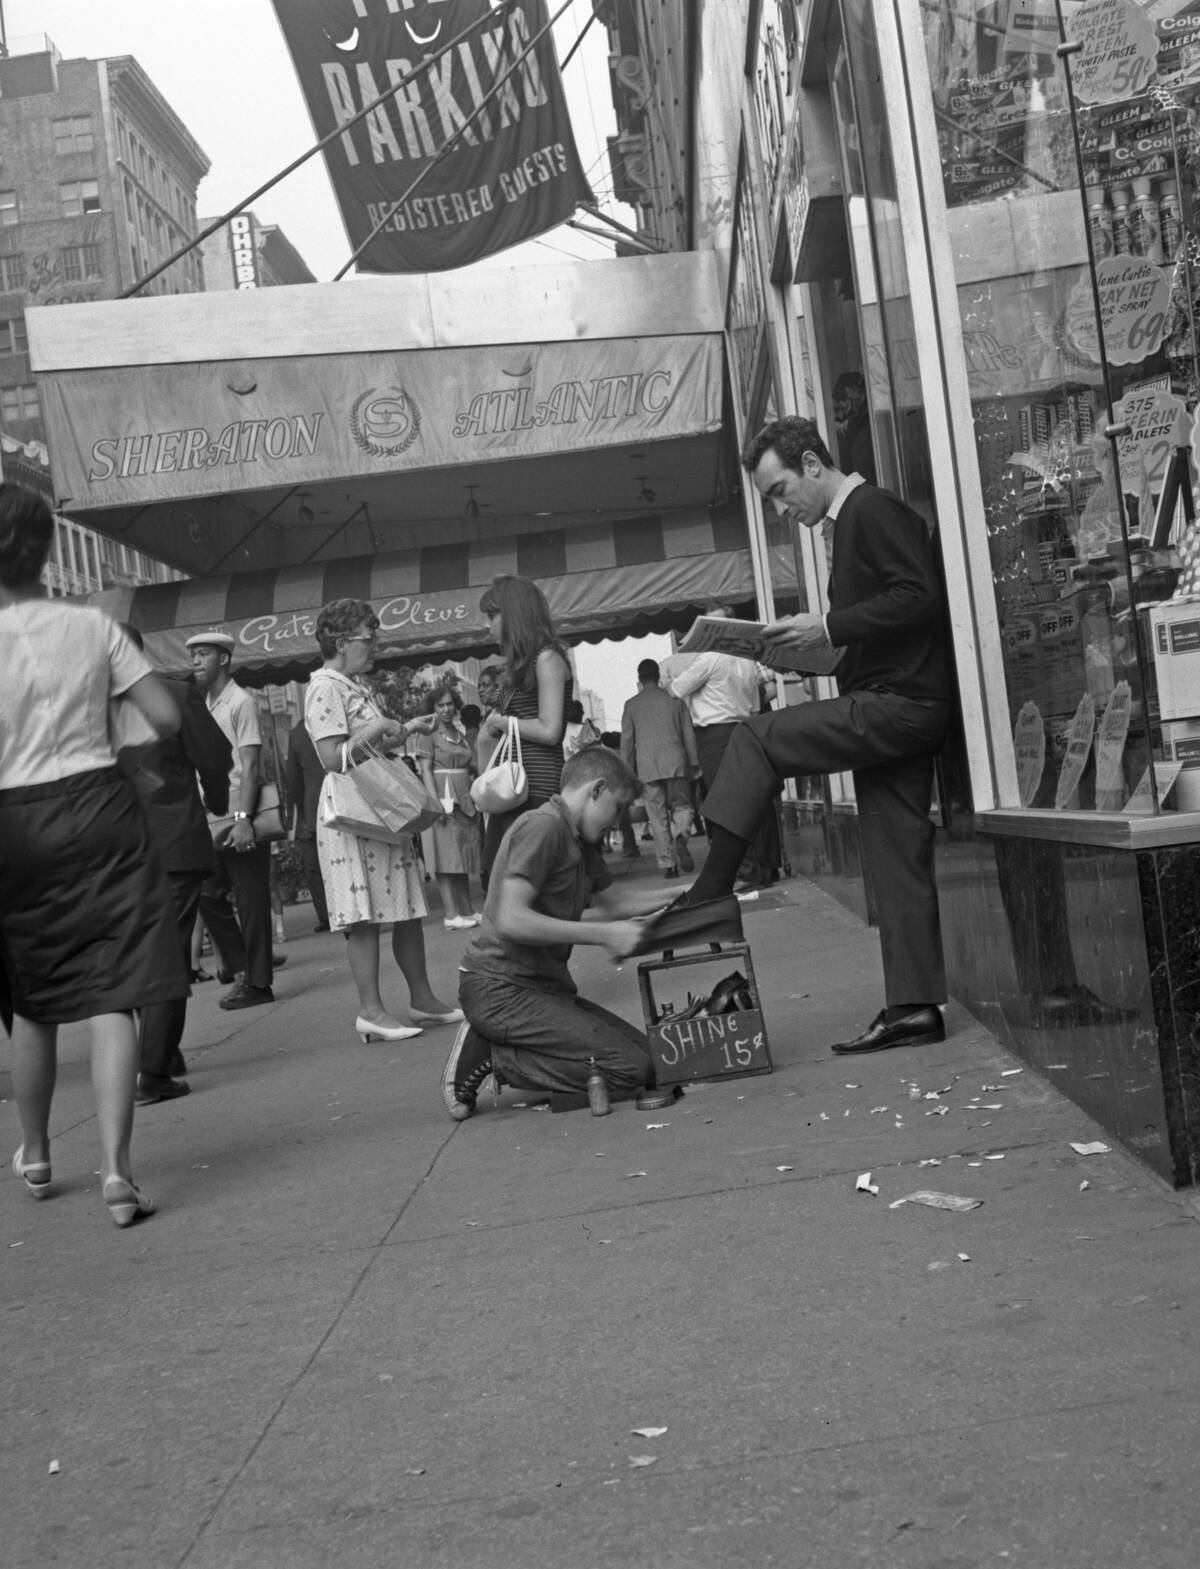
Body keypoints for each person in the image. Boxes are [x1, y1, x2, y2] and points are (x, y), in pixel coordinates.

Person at [678, 414, 953, 1056]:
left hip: (901, 705)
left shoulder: (869, 508)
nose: (780, 508)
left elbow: (920, 596)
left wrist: (827, 627)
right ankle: (913, 1008)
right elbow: (885, 622)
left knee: (755, 739)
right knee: (895, 853)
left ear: (810, 464)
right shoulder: (851, 520)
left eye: (779, 491)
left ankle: (710, 891)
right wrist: (807, 648)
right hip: (896, 700)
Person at [0, 483, 185, 1227]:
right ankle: (116, 1170)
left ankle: (38, 1152)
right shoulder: (93, 626)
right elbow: (166, 715)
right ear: (47, 548)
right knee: (115, 991)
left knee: (36, 999)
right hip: (100, 808)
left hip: (14, 820)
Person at [441, 747, 671, 1120]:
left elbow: (616, 903)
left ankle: (505, 1044)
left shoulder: (580, 838)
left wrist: (682, 895)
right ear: (596, 790)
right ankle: (495, 1055)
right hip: (500, 990)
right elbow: (510, 919)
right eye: (616, 807)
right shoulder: (543, 826)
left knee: (649, 1059)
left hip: (541, 989)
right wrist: (605, 936)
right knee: (630, 1069)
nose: (616, 822)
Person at [304, 598, 462, 1043]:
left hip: (379, 806)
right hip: (355, 813)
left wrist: (409, 727)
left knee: (406, 905)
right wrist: (379, 728)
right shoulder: (325, 686)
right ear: (341, 642)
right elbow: (332, 756)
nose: (374, 646)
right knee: (364, 913)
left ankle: (422, 997)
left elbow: (374, 741)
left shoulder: (352, 684)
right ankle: (371, 1010)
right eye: (367, 639)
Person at [120, 628, 233, 1106]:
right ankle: (154, 1068)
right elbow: (214, 756)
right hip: (171, 841)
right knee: (168, 951)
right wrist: (219, 801)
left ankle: (155, 1051)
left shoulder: (77, 704)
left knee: (131, 949)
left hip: (108, 848)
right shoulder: (173, 694)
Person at [190, 630, 278, 1011]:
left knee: (251, 899)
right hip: (211, 816)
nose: (195, 662)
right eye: (192, 655)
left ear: (223, 659)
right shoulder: (204, 703)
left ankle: (258, 984)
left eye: (203, 654)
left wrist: (243, 819)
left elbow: (251, 764)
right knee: (207, 893)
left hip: (240, 811)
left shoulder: (240, 702)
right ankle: (241, 966)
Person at [668, 604, 782, 891]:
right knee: (755, 799)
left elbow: (677, 689)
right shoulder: (747, 658)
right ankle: (767, 866)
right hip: (747, 728)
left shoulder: (710, 658)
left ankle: (746, 870)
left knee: (726, 804)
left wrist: (673, 678)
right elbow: (765, 692)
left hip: (716, 735)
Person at [476, 575, 572, 877]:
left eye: (492, 616)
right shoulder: (522, 663)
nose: (487, 625)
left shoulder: (547, 659)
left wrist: (501, 722)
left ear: (514, 614)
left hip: (536, 785)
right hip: (516, 785)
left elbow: (550, 730)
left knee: (528, 877)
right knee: (509, 876)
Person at [620, 658, 700, 879]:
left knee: (657, 818)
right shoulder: (675, 701)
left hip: (647, 769)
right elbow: (688, 735)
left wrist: (628, 772)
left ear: (639, 678)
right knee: (683, 806)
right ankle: (682, 835)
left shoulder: (631, 705)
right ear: (659, 676)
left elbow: (627, 743)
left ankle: (669, 866)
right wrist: (694, 762)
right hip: (676, 764)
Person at [411, 683, 481, 930]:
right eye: (441, 705)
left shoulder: (460, 734)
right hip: (443, 796)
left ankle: (467, 910)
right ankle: (451, 914)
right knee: (445, 857)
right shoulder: (427, 733)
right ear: (432, 708)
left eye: (450, 704)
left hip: (463, 797)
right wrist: (435, 801)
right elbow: (425, 770)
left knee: (461, 855)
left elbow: (470, 765)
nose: (446, 709)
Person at [286, 715, 331, 931]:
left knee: (314, 867)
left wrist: (300, 811)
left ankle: (325, 916)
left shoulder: (297, 734)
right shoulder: (335, 722)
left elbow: (293, 779)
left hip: (311, 809)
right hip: (340, 801)